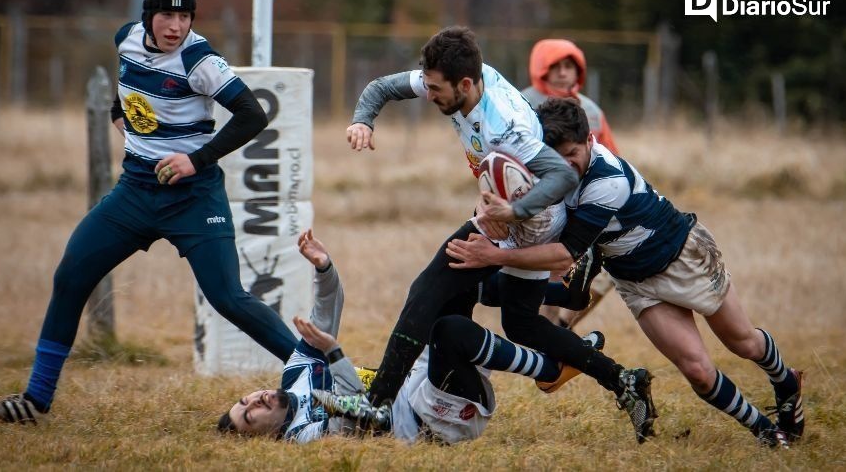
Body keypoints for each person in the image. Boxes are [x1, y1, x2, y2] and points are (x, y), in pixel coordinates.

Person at [0, 0, 297, 424]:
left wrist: (196, 159)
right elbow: (128, 84)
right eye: (167, 14)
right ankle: (35, 400)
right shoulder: (125, 38)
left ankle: (320, 373)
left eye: (185, 16)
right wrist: (117, 112)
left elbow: (253, 115)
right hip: (135, 192)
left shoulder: (200, 59)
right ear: (148, 15)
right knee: (71, 276)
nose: (175, 26)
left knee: (227, 297)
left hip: (193, 198)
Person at [445, 97, 805, 448]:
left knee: (743, 343)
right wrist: (488, 203)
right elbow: (500, 184)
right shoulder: (541, 168)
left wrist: (492, 255)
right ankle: (765, 432)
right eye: (557, 159)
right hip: (635, 281)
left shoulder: (607, 181)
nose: (566, 168)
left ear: (589, 140)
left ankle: (785, 381)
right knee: (697, 372)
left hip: (684, 257)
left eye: (573, 155)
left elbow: (563, 253)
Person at [345, 26, 638, 420]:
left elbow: (563, 177)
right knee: (520, 323)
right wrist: (364, 120)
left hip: (535, 219)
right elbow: (381, 87)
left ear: (464, 84)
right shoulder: (457, 78)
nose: (428, 96)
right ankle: (622, 379)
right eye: (427, 86)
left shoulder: (506, 126)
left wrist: (510, 213)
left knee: (429, 289)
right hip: (511, 208)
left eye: (435, 90)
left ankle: (378, 402)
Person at [220, 230, 655, 444]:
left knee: (455, 281)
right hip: (431, 420)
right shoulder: (300, 435)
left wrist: (323, 269)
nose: (254, 402)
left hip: (417, 383)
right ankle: (548, 367)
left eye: (244, 400)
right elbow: (362, 413)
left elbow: (324, 316)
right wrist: (334, 354)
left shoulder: (294, 373)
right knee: (448, 329)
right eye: (249, 417)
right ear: (263, 437)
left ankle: (565, 293)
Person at [522, 38, 618, 330]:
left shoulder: (591, 110)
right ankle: (543, 339)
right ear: (541, 70)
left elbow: (613, 156)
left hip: (585, 206)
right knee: (547, 278)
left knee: (602, 274)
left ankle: (560, 329)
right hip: (540, 206)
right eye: (556, 67)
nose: (564, 73)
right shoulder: (522, 103)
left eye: (569, 67)